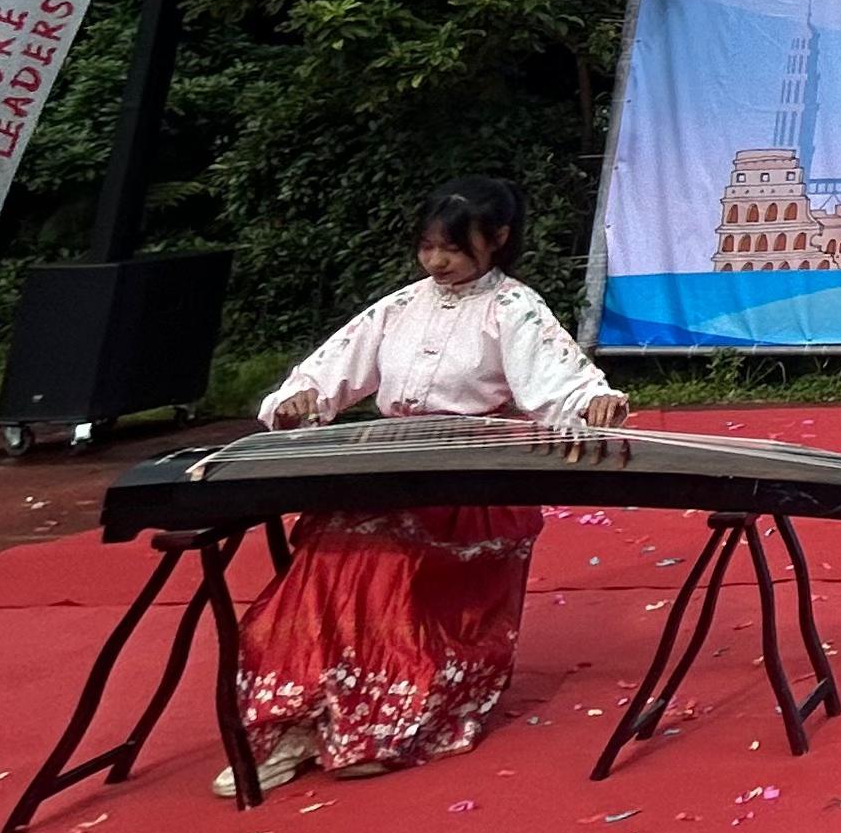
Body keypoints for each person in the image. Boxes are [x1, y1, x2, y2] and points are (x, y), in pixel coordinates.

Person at [224, 177, 625, 791]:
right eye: (427, 246)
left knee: (380, 565)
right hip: (388, 471)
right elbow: (323, 374)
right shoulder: (398, 308)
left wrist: (592, 404)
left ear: (498, 238)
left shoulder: (514, 309)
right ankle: (299, 718)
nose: (436, 261)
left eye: (452, 249)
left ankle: (370, 724)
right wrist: (298, 400)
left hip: (470, 485)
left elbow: (563, 384)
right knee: (328, 555)